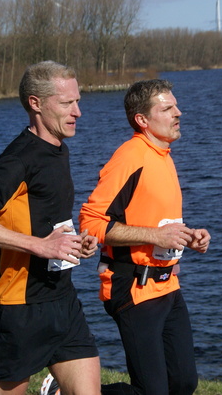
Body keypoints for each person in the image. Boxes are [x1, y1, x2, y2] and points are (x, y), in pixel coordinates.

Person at [0, 61, 102, 395]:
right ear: (36, 103)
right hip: (19, 309)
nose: (78, 111)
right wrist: (40, 246)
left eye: (78, 101)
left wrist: (76, 243)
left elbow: (45, 223)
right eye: (67, 103)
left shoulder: (58, 149)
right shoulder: (18, 158)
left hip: (62, 300)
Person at [79, 79, 211, 395]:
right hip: (132, 286)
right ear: (143, 119)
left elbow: (156, 221)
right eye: (167, 109)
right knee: (150, 392)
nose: (179, 113)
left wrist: (188, 236)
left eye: (176, 106)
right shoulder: (130, 156)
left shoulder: (163, 155)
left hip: (167, 285)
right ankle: (69, 391)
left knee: (183, 383)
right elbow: (90, 223)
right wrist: (156, 235)